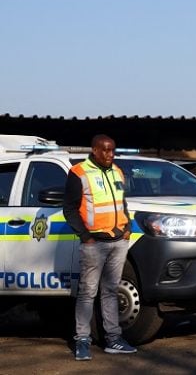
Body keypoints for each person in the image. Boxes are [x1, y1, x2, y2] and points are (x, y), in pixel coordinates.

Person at [63, 135, 137, 360]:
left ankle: (113, 339)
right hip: (94, 243)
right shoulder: (79, 172)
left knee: (111, 291)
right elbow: (70, 208)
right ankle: (82, 340)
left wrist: (127, 228)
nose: (110, 154)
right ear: (94, 150)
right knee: (87, 292)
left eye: (112, 150)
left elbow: (121, 202)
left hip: (118, 241)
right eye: (105, 150)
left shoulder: (117, 171)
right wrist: (85, 237)